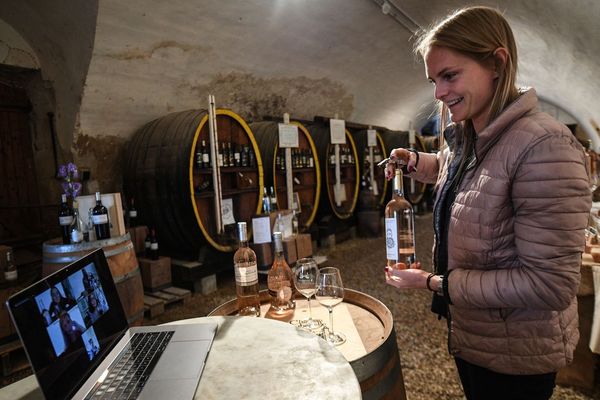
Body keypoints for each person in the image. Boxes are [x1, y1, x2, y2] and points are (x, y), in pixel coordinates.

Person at [383, 6, 591, 400]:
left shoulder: (545, 147)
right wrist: (418, 163)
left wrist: (434, 282)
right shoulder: (475, 133)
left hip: (517, 350)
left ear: (497, 62)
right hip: (478, 332)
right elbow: (466, 174)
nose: (438, 93)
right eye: (433, 80)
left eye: (449, 76)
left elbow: (549, 285)